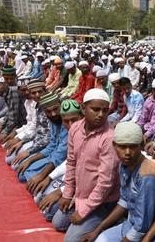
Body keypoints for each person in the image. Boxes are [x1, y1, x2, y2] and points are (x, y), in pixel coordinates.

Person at [53, 89, 120, 242]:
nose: (101, 114)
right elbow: (71, 163)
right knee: (56, 220)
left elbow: (105, 183)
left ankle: (112, 220)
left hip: (103, 201)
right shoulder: (75, 128)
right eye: (96, 109)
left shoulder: (109, 138)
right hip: (79, 193)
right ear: (83, 109)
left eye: (105, 110)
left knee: (70, 240)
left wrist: (83, 211)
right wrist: (68, 193)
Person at [81, 122, 155, 242]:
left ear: (141, 145)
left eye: (132, 146)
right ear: (114, 145)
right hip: (131, 224)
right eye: (122, 146)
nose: (127, 152)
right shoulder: (125, 165)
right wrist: (97, 230)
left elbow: (143, 225)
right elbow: (124, 201)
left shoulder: (147, 176)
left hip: (149, 233)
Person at [35, 99, 84, 222]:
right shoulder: (73, 135)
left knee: (54, 219)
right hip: (73, 179)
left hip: (86, 187)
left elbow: (90, 176)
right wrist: (49, 177)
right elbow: (70, 162)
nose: (71, 125)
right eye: (66, 121)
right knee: (39, 197)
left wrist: (61, 191)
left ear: (82, 117)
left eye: (74, 120)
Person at [16, 93, 69, 188]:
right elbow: (52, 145)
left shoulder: (67, 121)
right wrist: (30, 159)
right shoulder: (53, 120)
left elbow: (61, 154)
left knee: (38, 193)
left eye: (56, 109)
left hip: (64, 162)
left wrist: (43, 175)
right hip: (53, 157)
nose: (53, 114)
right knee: (22, 174)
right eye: (48, 111)